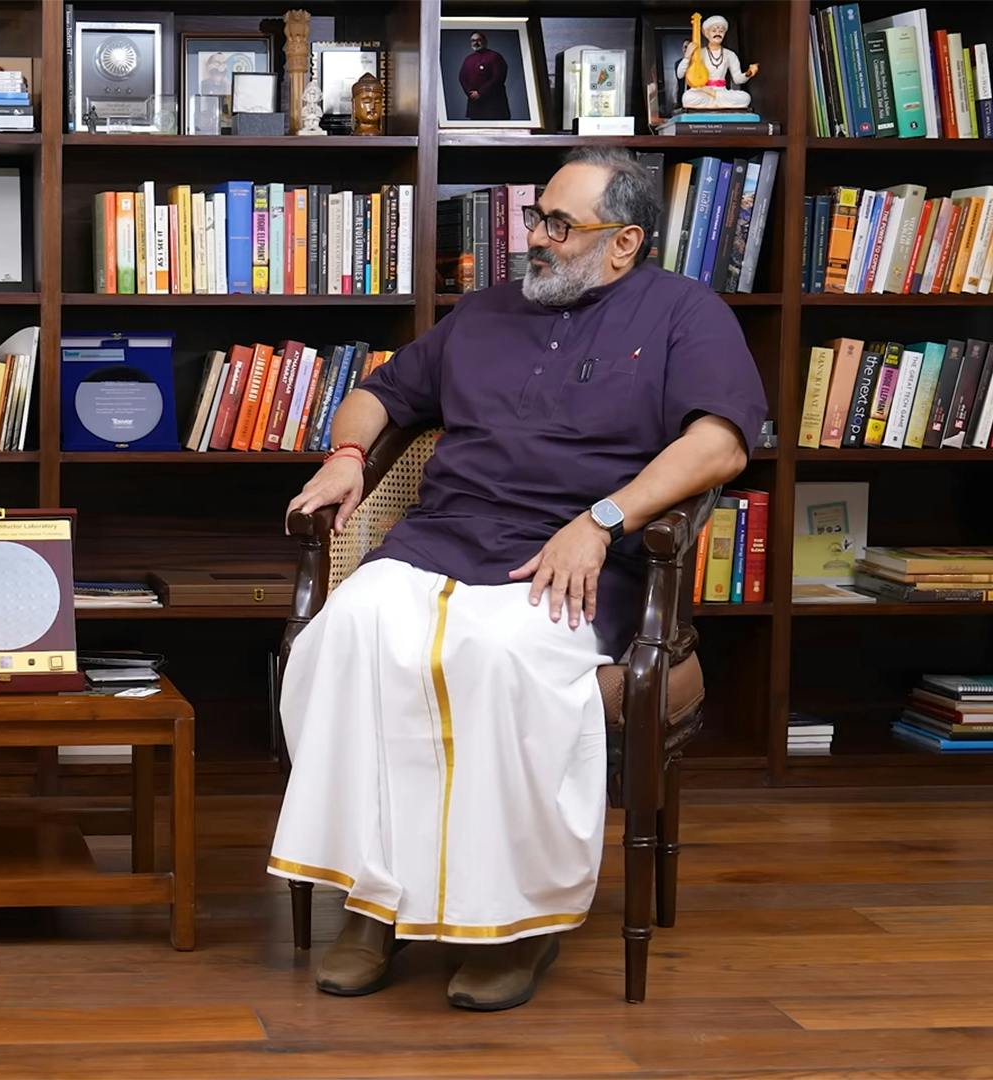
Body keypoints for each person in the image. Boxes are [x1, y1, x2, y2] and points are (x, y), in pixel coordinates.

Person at [272, 147, 766, 1010]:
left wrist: (602, 520)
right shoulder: (486, 312)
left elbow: (719, 443)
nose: (533, 238)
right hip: (441, 541)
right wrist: (350, 454)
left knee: (499, 658)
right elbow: (382, 395)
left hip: (573, 564)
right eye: (536, 217)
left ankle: (516, 922)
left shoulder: (686, 313)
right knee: (343, 636)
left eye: (558, 225)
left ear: (624, 244)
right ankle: (373, 902)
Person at [677, 14, 759, 111]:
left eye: (721, 31)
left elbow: (737, 79)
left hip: (721, 92)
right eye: (714, 31)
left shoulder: (730, 54)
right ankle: (717, 103)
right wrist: (687, 57)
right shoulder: (699, 53)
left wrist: (748, 73)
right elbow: (680, 75)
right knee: (687, 98)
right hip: (703, 91)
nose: (718, 34)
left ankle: (714, 101)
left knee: (745, 97)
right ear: (707, 34)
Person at [458, 31, 510, 120]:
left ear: (485, 41)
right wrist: (470, 93)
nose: (476, 43)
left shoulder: (495, 56)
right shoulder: (468, 59)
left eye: (479, 40)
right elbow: (462, 78)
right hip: (475, 104)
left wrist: (481, 93)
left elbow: (498, 78)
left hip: (493, 104)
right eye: (473, 40)